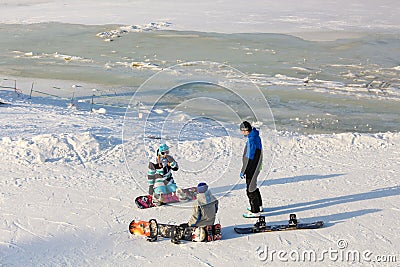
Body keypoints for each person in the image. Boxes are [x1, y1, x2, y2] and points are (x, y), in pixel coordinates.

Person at [240, 121, 263, 215]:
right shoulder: (254, 136)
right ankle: (259, 206)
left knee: (250, 189)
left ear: (245, 130)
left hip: (252, 167)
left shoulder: (251, 139)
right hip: (256, 165)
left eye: (242, 131)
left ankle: (255, 211)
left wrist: (243, 171)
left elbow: (249, 158)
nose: (242, 133)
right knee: (254, 186)